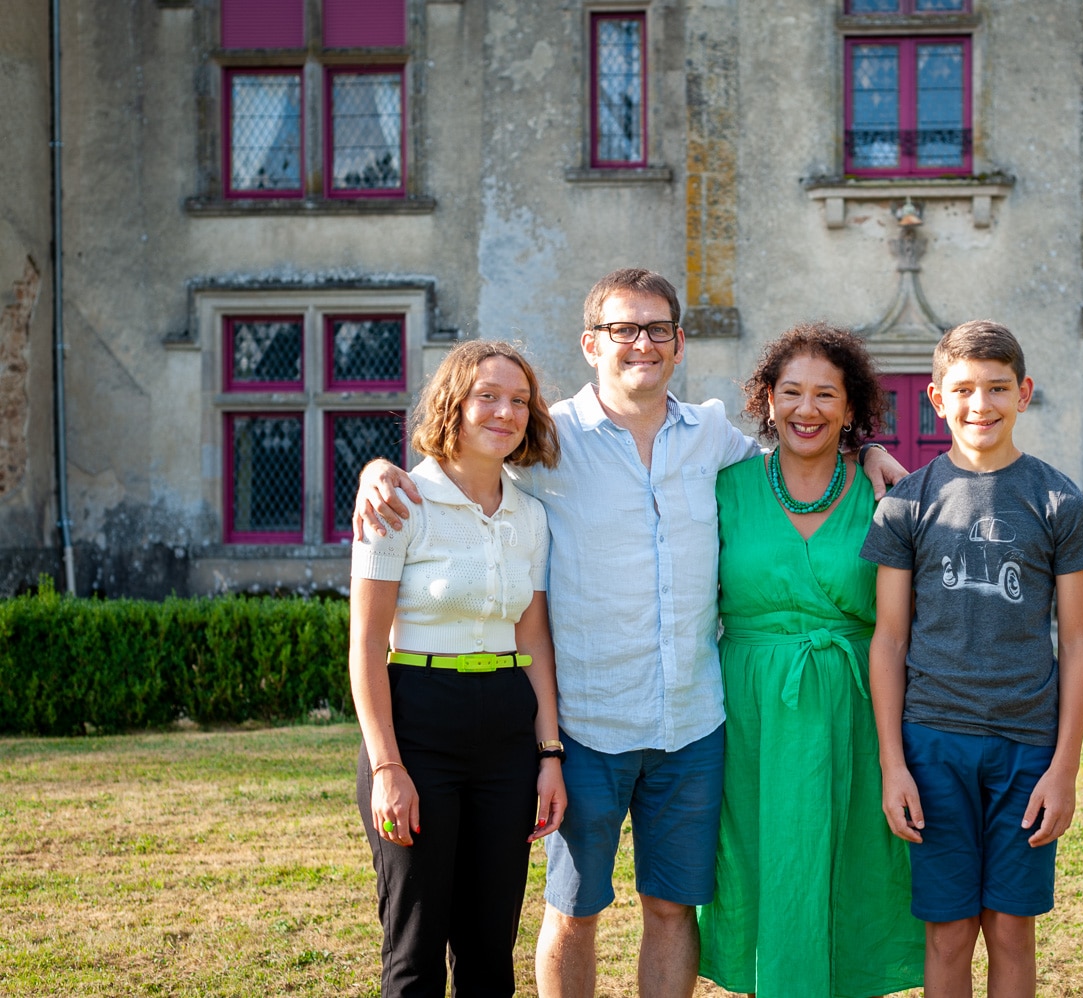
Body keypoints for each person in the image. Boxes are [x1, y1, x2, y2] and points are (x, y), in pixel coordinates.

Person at [351, 269, 907, 998]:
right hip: (587, 724)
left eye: (656, 330)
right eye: (622, 329)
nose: (640, 343)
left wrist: (867, 451)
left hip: (693, 723)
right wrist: (380, 468)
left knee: (673, 908)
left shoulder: (713, 435)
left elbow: (799, 453)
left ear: (679, 345)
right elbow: (463, 460)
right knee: (574, 909)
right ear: (591, 343)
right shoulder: (545, 441)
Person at [861, 320, 1083, 998]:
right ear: (936, 399)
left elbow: (1079, 640)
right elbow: (888, 640)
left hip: (1027, 748)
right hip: (933, 744)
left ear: (1023, 393)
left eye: (997, 388)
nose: (981, 405)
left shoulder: (1056, 500)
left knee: (1009, 928)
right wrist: (893, 764)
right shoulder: (907, 503)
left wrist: (1064, 770)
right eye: (964, 390)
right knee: (946, 933)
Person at [698, 322, 925, 998]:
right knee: (766, 870)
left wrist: (894, 758)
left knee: (853, 874)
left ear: (852, 409)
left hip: (854, 707)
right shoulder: (724, 486)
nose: (807, 409)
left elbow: (898, 632)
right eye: (791, 392)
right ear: (766, 400)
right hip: (749, 715)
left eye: (826, 394)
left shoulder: (885, 495)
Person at [348, 339, 567, 997]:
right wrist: (388, 768)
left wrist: (549, 753)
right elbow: (365, 646)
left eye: (520, 401)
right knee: (414, 951)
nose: (505, 412)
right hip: (418, 722)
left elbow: (533, 639)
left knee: (488, 951)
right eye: (488, 396)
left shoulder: (531, 514)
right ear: (455, 404)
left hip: (505, 733)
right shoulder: (398, 501)